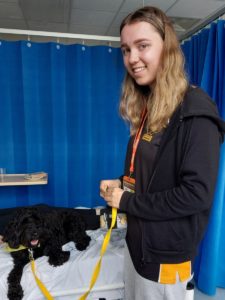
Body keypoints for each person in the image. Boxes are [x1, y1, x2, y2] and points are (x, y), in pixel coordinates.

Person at [100, 6, 225, 300]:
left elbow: (195, 194)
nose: (132, 58)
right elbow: (154, 174)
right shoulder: (151, 107)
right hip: (138, 246)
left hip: (166, 255)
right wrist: (122, 182)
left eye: (143, 46)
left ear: (167, 48)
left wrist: (127, 200)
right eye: (126, 49)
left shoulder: (195, 111)